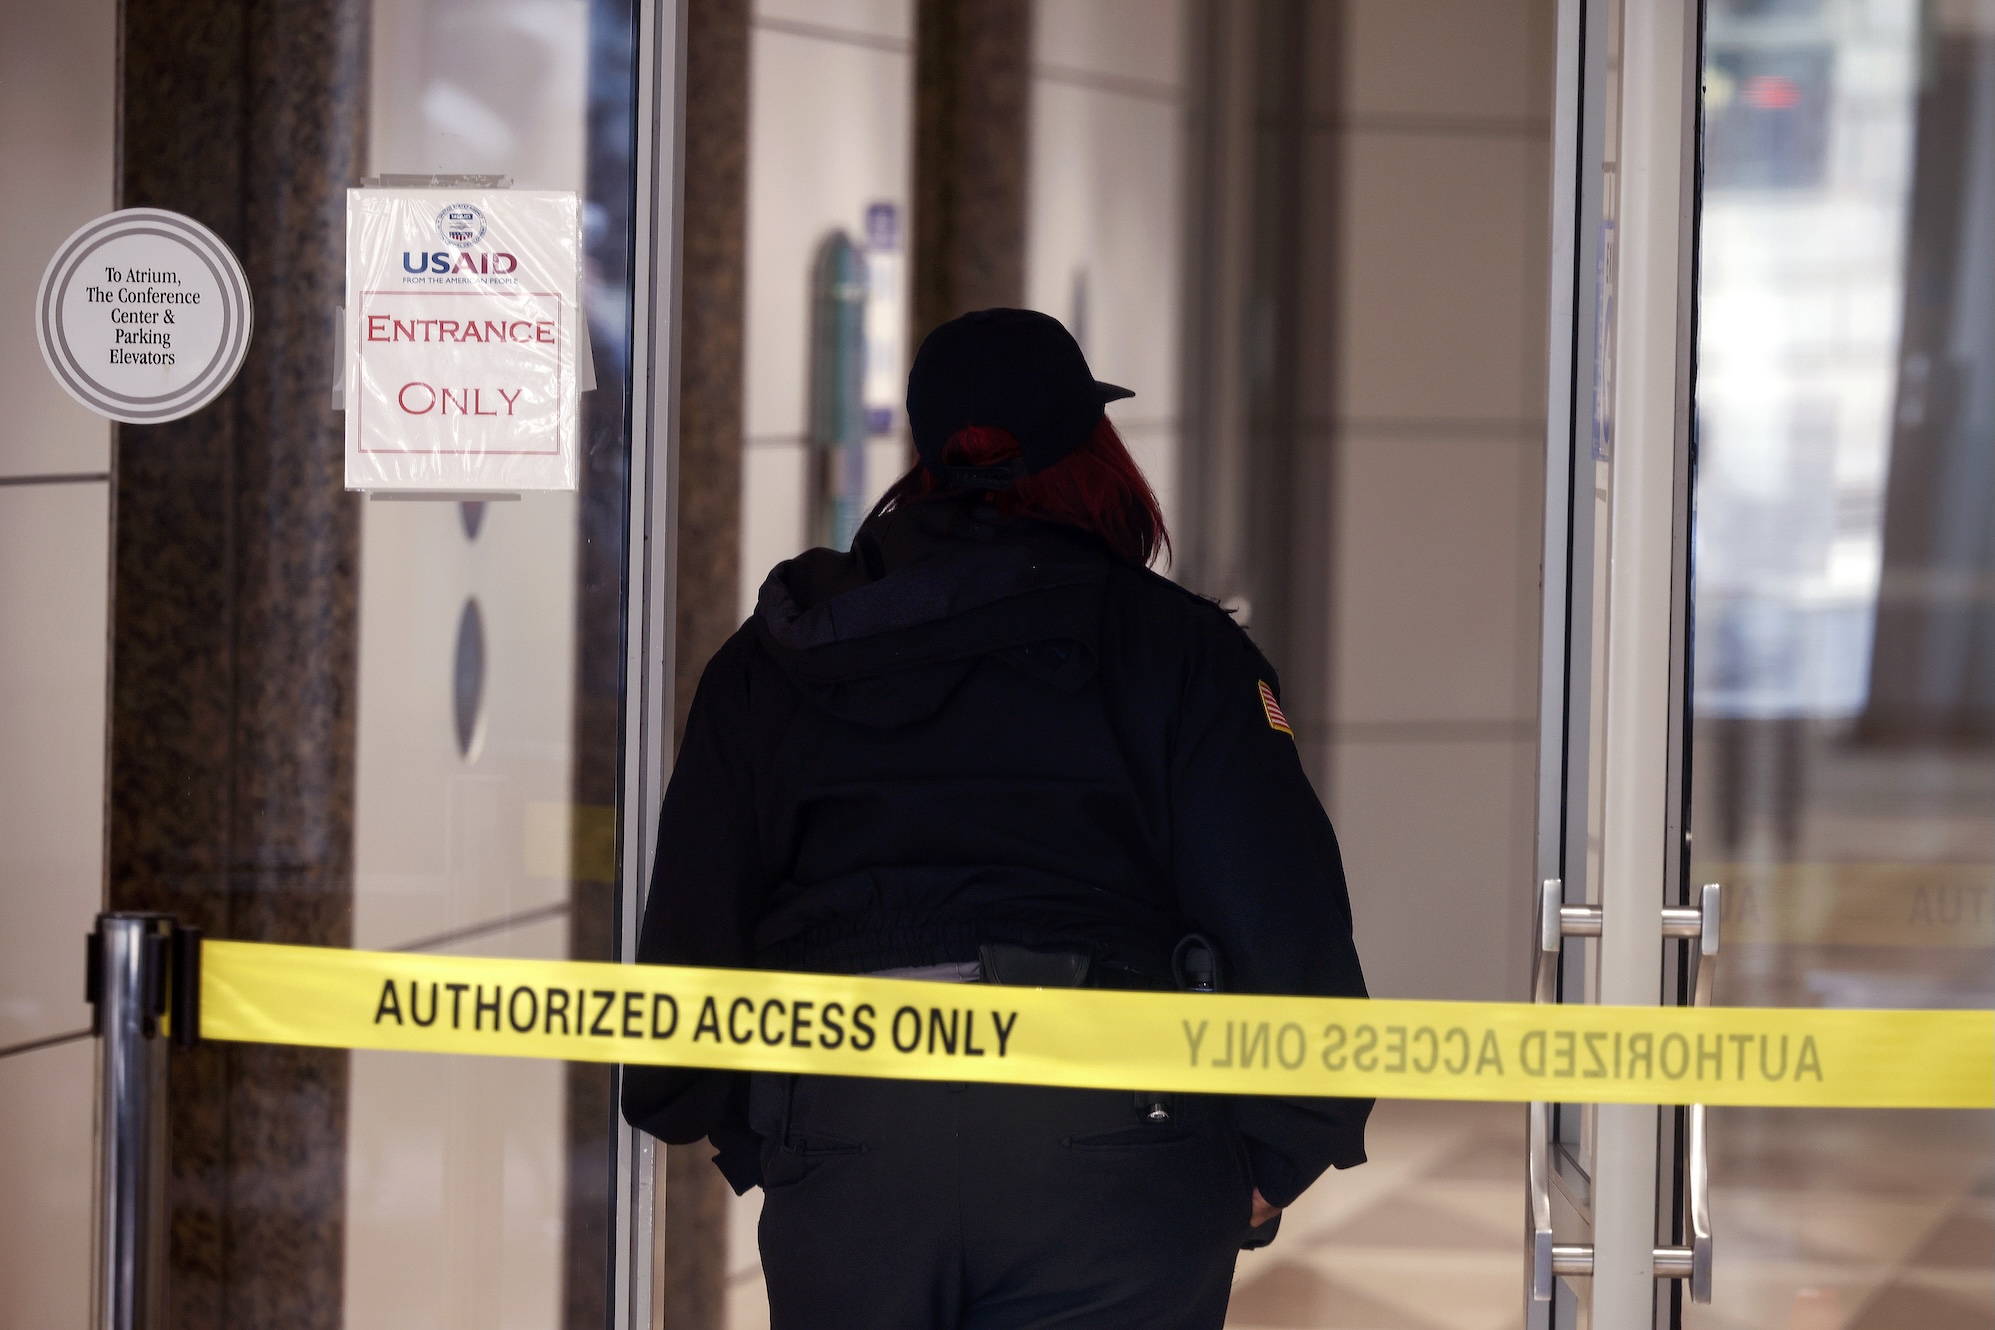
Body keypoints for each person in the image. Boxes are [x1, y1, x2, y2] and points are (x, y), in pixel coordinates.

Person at [623, 308, 1370, 1328]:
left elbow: (692, 921)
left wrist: (766, 1135)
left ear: (927, 451)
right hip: (1116, 1143)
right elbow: (1285, 916)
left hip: (847, 1127)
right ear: (1091, 452)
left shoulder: (776, 659)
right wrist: (1273, 1156)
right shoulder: (1179, 654)